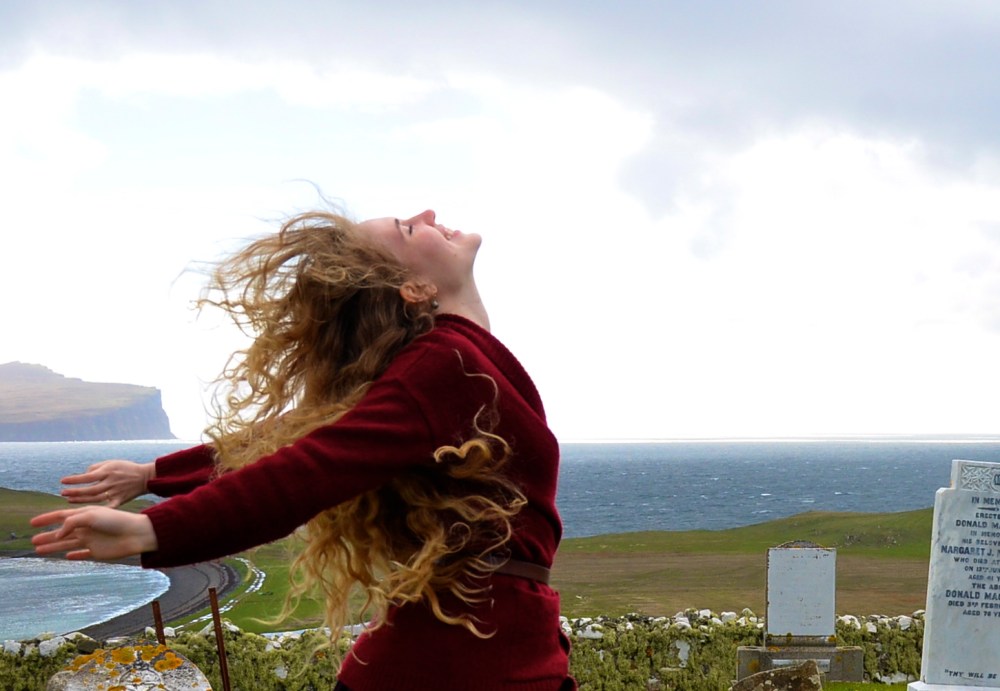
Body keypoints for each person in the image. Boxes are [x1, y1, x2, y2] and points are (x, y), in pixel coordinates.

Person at [31, 208, 575, 691]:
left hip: (461, 655)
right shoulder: (445, 364)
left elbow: (301, 430)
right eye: (410, 228)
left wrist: (155, 474)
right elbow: (313, 464)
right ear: (412, 286)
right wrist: (156, 528)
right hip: (460, 665)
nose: (429, 211)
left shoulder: (453, 357)